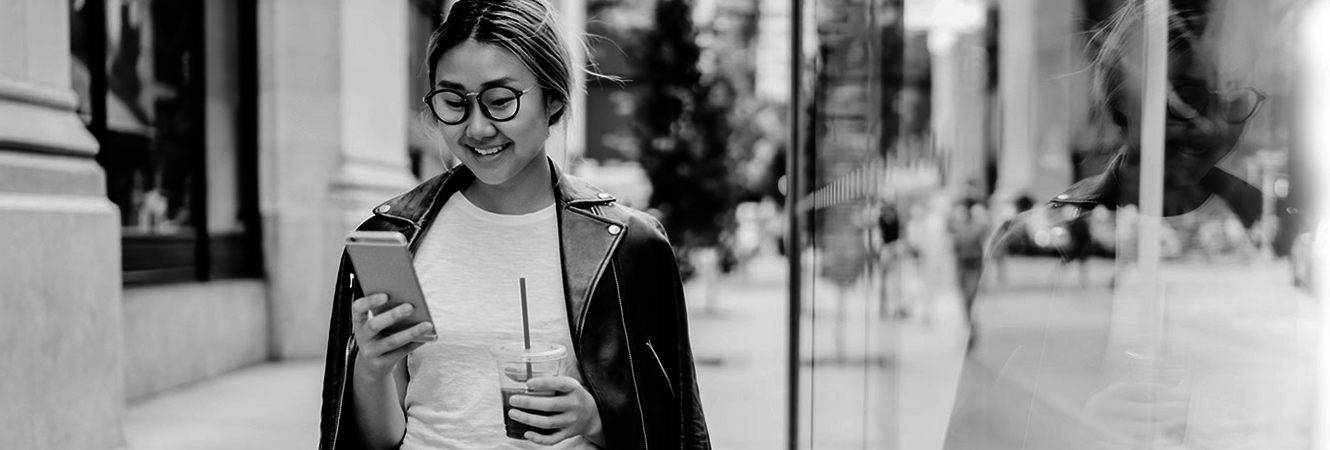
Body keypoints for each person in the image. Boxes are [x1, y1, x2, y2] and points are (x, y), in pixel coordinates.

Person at [315, 1, 711, 448]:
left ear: (554, 100)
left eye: (501, 101)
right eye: (453, 102)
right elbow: (380, 440)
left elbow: (674, 430)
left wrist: (594, 420)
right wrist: (371, 368)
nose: (478, 127)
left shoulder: (627, 247)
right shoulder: (391, 237)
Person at [944, 1, 1309, 449]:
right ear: (1125, 97)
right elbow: (975, 435)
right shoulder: (1037, 245)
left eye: (1233, 102)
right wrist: (1075, 432)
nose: (1210, 126)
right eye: (1187, 98)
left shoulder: (1281, 242)